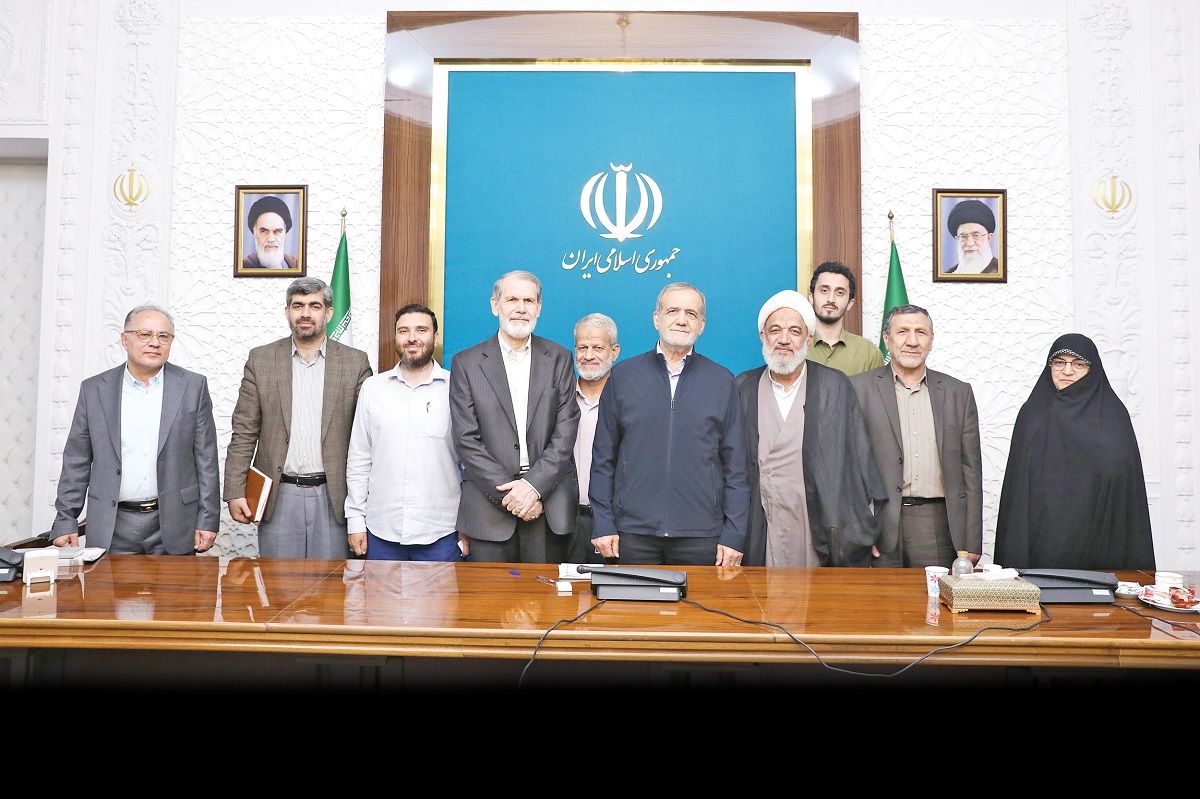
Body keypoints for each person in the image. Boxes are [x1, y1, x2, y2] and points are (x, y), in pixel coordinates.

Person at [590, 282, 748, 566]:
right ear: (657, 319)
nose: (681, 319)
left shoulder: (722, 381)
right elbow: (603, 459)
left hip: (702, 536)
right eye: (673, 311)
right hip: (631, 534)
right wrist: (603, 523)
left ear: (701, 325)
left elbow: (736, 466)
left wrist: (734, 534)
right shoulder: (623, 377)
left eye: (691, 313)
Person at [50, 304, 220, 554]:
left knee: (178, 583)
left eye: (164, 336)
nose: (155, 343)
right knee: (106, 582)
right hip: (112, 523)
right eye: (144, 334)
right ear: (124, 339)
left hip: (175, 522)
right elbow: (77, 460)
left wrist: (208, 518)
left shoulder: (193, 387)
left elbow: (206, 459)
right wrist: (66, 519)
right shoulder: (94, 389)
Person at [736, 290, 887, 566]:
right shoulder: (743, 387)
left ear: (808, 339)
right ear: (763, 336)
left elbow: (860, 458)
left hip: (818, 520)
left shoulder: (834, 385)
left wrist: (869, 526)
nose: (784, 339)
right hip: (761, 521)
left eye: (795, 331)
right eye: (775, 330)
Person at [224, 277, 372, 558]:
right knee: (278, 583)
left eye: (314, 306)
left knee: (330, 584)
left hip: (334, 496)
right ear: (287, 312)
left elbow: (367, 436)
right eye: (298, 306)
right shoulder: (261, 359)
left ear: (328, 313)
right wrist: (234, 490)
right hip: (279, 495)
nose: (305, 313)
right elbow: (244, 431)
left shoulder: (355, 362)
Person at [450, 270, 579, 563]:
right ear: (495, 305)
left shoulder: (559, 358)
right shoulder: (466, 364)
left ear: (539, 308)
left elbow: (565, 432)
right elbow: (466, 440)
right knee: (490, 594)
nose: (521, 308)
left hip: (547, 507)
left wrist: (533, 487)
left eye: (528, 301)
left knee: (546, 594)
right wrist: (514, 497)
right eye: (512, 300)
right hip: (489, 510)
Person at [994, 334, 1155, 570]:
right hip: (1042, 530)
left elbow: (1123, 479)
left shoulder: (1112, 414)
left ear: (1092, 369)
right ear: (1049, 366)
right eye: (1059, 362)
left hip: (1096, 528)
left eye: (1078, 364)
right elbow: (1017, 487)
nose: (1067, 371)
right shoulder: (1032, 413)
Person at [850, 304, 982, 568]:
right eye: (903, 332)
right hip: (879, 525)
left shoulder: (958, 393)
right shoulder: (858, 389)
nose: (912, 341)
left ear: (931, 340)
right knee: (881, 596)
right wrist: (859, 531)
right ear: (887, 339)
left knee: (934, 595)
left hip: (938, 525)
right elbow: (847, 469)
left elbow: (971, 471)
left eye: (921, 332)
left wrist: (972, 540)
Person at [345, 304, 464, 561]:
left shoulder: (457, 387)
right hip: (381, 530)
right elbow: (359, 459)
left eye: (421, 330)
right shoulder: (373, 388)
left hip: (442, 531)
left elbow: (469, 462)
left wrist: (468, 528)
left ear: (435, 337)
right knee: (378, 592)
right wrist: (355, 520)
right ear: (395, 337)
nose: (412, 338)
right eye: (403, 331)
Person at [569, 313, 620, 564]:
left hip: (615, 523)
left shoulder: (629, 400)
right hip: (563, 521)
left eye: (598, 348)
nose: (589, 355)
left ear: (614, 351)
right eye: (582, 348)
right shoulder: (558, 398)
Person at [805, 261, 884, 376]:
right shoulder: (794, 346)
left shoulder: (869, 353)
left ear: (850, 304)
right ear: (811, 298)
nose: (831, 299)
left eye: (840, 293)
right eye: (824, 291)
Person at [944, 199, 999, 275]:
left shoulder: (1003, 272)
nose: (970, 244)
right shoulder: (948, 275)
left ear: (989, 238)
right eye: (964, 236)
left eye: (976, 236)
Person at [242, 195, 298, 270]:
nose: (271, 239)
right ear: (254, 232)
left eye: (278, 231)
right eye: (264, 231)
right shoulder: (243, 266)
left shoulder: (296, 264)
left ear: (285, 232)